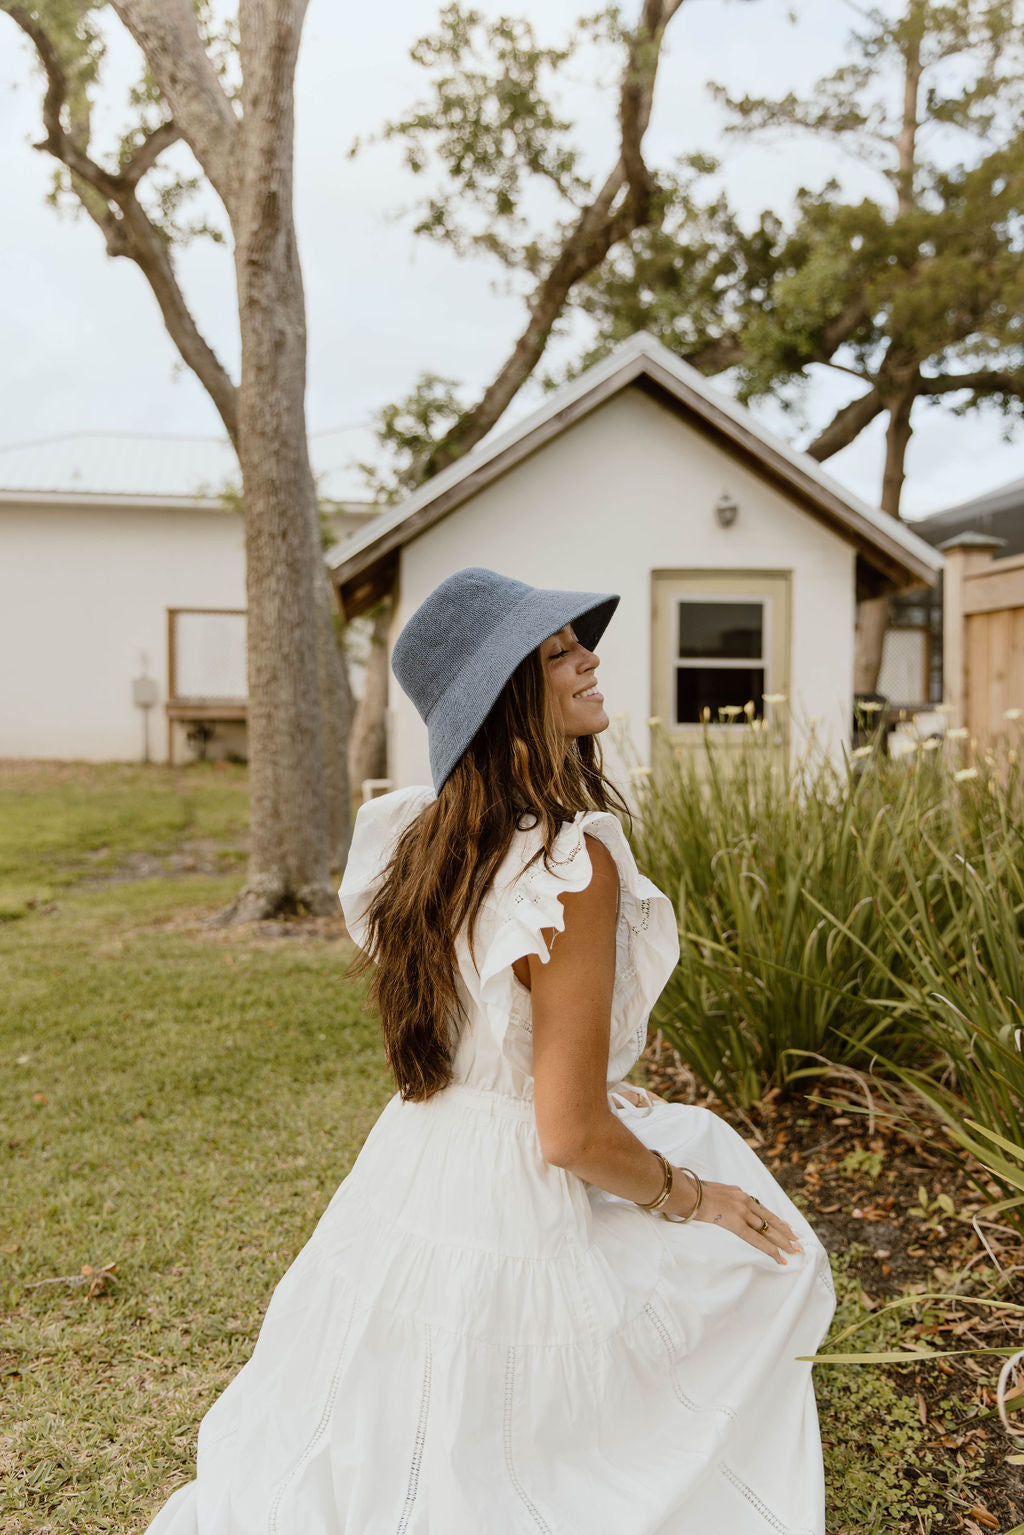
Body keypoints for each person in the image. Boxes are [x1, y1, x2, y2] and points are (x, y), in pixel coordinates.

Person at [144, 565, 836, 1534]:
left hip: (417, 1159)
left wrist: (586, 1096)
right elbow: (567, 1134)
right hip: (516, 1187)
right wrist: (691, 1194)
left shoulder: (425, 839)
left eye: (577, 641)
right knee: (765, 1251)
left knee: (415, 1400)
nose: (590, 656)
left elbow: (485, 1042)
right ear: (508, 696)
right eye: (558, 651)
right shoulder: (569, 863)